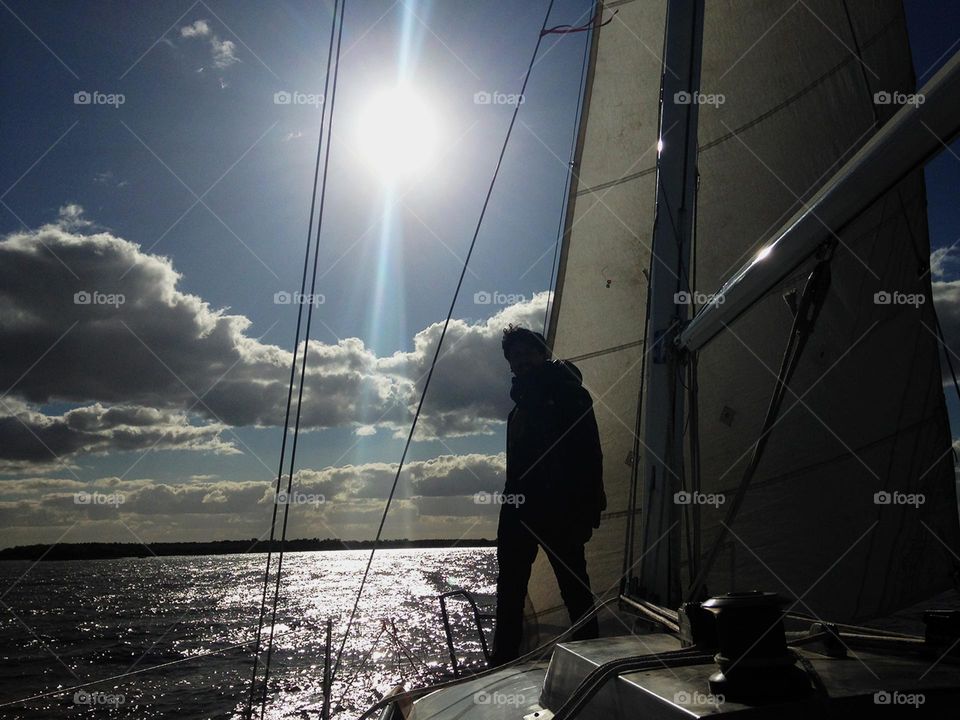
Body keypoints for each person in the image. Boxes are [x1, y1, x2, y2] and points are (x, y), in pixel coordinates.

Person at [488, 324, 605, 667]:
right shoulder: (517, 410)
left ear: (543, 354)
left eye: (526, 353)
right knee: (509, 589)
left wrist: (590, 506)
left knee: (574, 586)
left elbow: (589, 452)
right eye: (514, 356)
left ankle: (593, 659)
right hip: (517, 512)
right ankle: (502, 663)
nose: (520, 361)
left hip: (561, 509)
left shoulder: (569, 394)